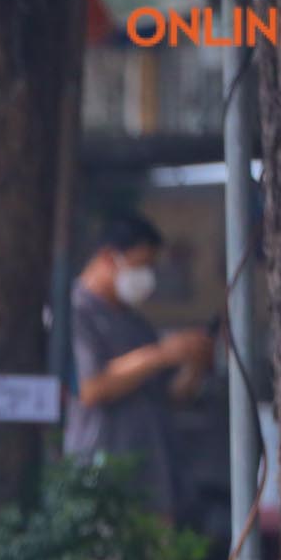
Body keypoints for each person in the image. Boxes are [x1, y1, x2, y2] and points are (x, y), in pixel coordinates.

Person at [64, 212, 215, 520]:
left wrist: (194, 363)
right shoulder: (75, 312)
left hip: (154, 482)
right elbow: (91, 387)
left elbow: (171, 396)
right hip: (102, 478)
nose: (147, 277)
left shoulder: (136, 323)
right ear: (109, 257)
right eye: (140, 266)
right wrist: (161, 354)